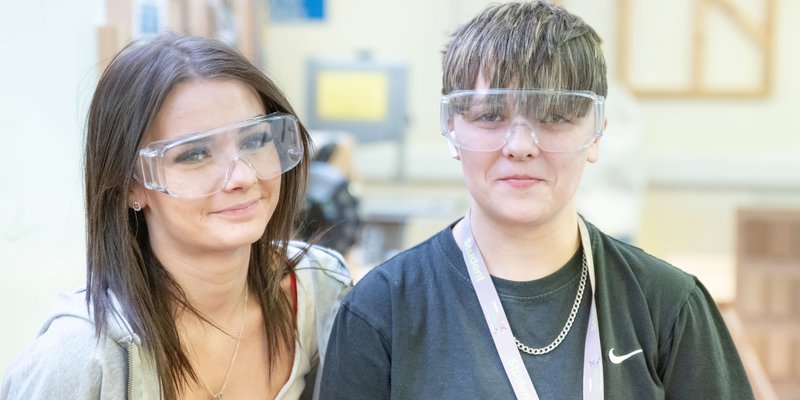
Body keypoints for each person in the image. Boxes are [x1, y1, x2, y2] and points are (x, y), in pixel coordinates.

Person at [319, 1, 754, 399]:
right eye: (491, 115)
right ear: (452, 128)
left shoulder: (669, 306)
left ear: (597, 132)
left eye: (554, 116)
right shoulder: (380, 311)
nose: (521, 145)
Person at [0, 33, 352, 399]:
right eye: (195, 155)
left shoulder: (321, 292)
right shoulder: (82, 358)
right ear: (129, 186)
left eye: (254, 141)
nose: (243, 177)